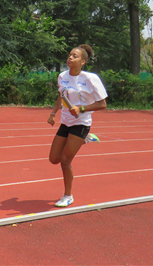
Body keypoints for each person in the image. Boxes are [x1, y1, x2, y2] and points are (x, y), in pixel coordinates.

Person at [47, 44, 108, 207]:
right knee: (54, 159)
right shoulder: (62, 76)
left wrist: (81, 108)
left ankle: (68, 195)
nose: (70, 58)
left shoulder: (90, 79)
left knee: (65, 161)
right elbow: (61, 96)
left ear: (83, 61)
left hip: (81, 122)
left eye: (74, 56)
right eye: (69, 55)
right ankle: (84, 139)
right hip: (66, 122)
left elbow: (102, 104)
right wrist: (53, 113)